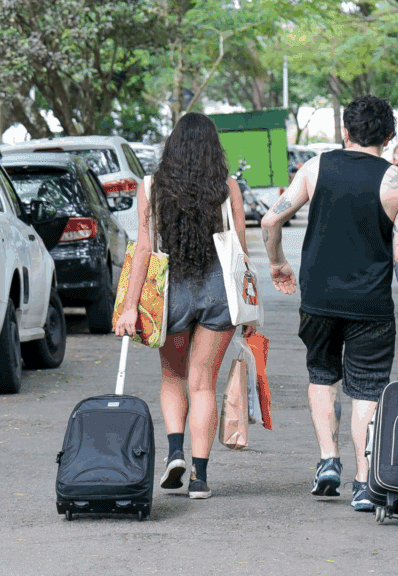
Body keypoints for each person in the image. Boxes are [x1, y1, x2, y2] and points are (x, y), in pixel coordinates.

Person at [260, 95, 398, 512]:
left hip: (318, 300)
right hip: (370, 307)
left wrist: (278, 262)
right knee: (367, 390)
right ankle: (363, 482)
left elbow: (270, 220)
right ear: (388, 137)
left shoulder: (315, 168)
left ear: (345, 131)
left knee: (322, 376)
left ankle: (327, 462)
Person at [115, 112, 255, 500]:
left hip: (170, 291)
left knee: (173, 378)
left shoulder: (151, 186)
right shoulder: (227, 186)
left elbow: (144, 249)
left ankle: (175, 452)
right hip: (218, 290)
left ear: (172, 145)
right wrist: (249, 309)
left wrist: (130, 307)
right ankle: (200, 478)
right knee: (203, 382)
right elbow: (241, 250)